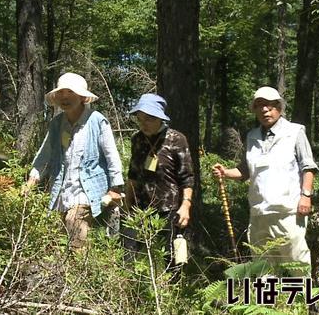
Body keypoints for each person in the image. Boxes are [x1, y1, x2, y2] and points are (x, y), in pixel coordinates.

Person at [212, 86, 317, 273]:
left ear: (279, 107)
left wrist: (306, 196)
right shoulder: (251, 136)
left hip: (288, 211)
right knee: (262, 266)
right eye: (259, 106)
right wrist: (225, 172)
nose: (264, 110)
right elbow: (245, 170)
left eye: (269, 105)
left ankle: (303, 300)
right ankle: (268, 302)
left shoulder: (295, 132)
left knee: (296, 261)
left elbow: (308, 166)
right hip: (259, 212)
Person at [25, 72, 124, 250]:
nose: (65, 97)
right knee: (58, 237)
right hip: (63, 190)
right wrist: (32, 182)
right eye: (61, 93)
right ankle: (69, 273)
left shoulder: (97, 121)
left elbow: (112, 155)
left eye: (70, 92)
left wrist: (115, 188)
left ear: (82, 97)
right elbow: (44, 155)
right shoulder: (57, 123)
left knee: (74, 222)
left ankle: (80, 271)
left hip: (89, 189)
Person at [124, 94, 194, 267]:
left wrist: (185, 206)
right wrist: (127, 203)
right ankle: (133, 291)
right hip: (139, 209)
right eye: (140, 119)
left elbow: (187, 177)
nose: (143, 123)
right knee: (130, 256)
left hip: (169, 209)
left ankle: (172, 291)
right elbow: (133, 174)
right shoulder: (137, 139)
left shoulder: (177, 139)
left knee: (172, 258)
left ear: (159, 118)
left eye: (149, 119)